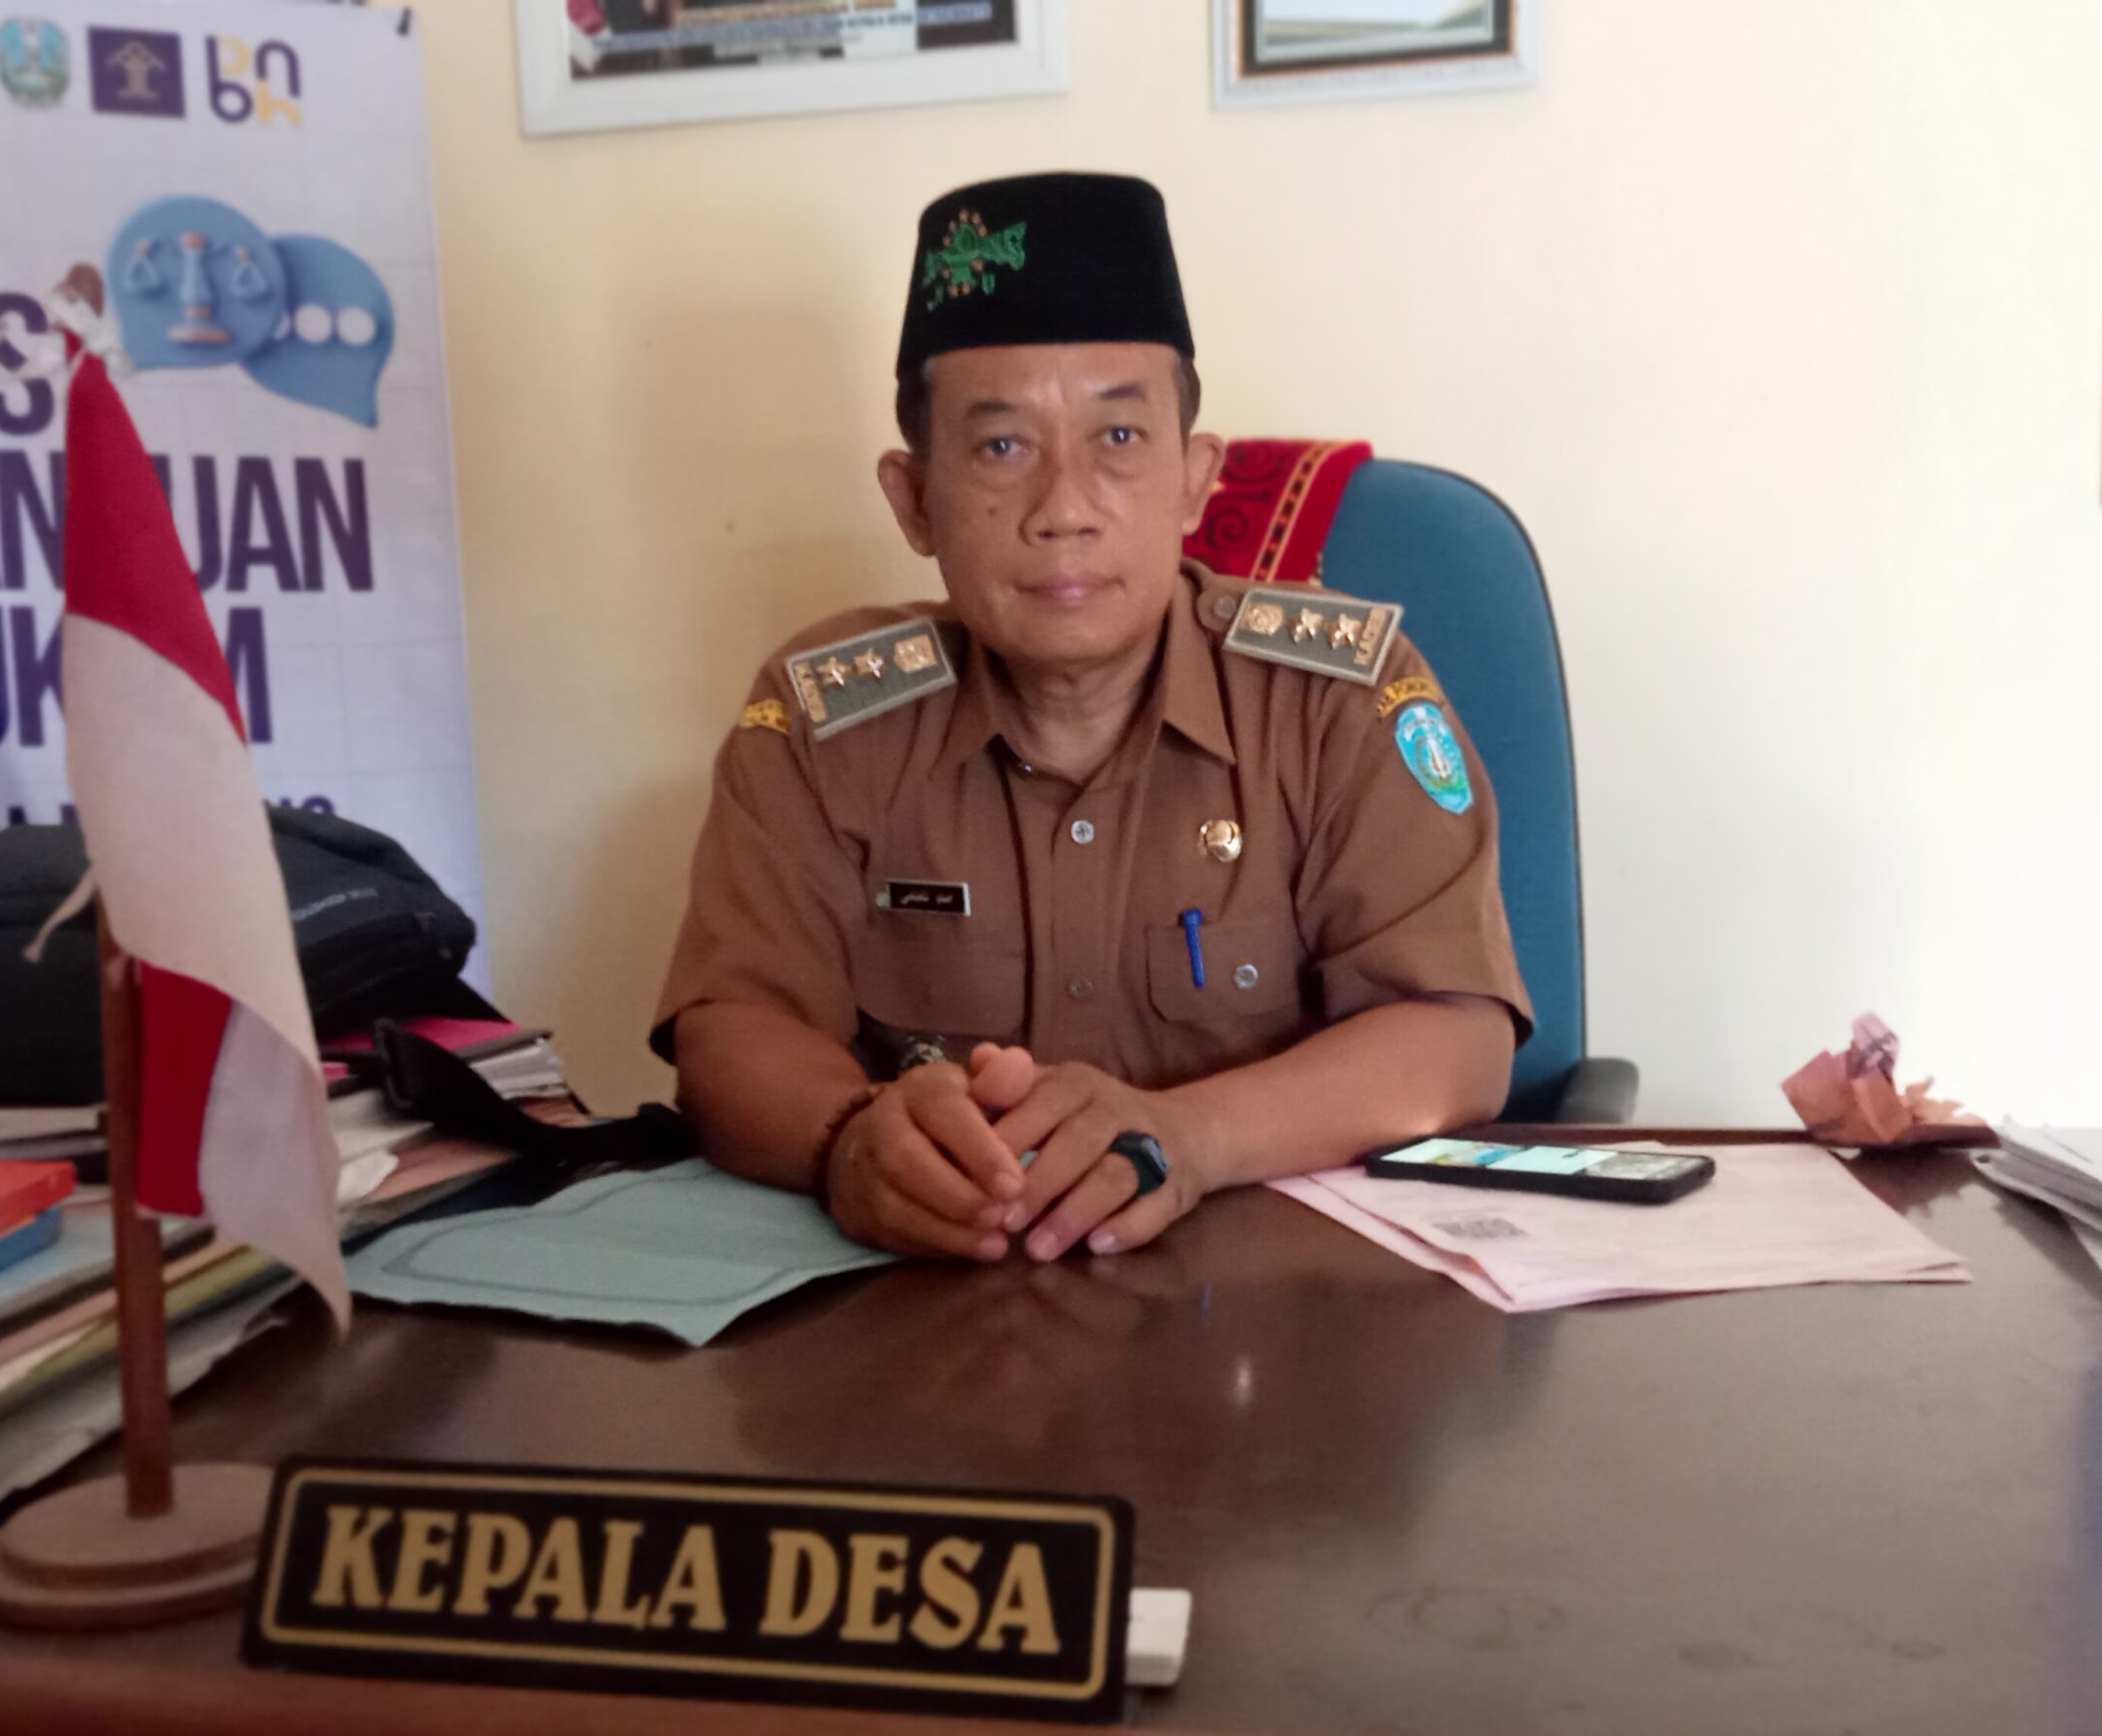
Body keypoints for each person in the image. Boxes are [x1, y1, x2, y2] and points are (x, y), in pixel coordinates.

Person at [652, 172, 1529, 1264]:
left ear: (1195, 480)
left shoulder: (1336, 698)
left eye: (1118, 437)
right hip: (930, 1301)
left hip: (1276, 1313)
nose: (1064, 509)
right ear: (914, 500)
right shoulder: (823, 718)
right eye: (1002, 447)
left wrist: (1191, 1137)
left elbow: (1457, 1037)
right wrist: (849, 1140)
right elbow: (732, 1026)